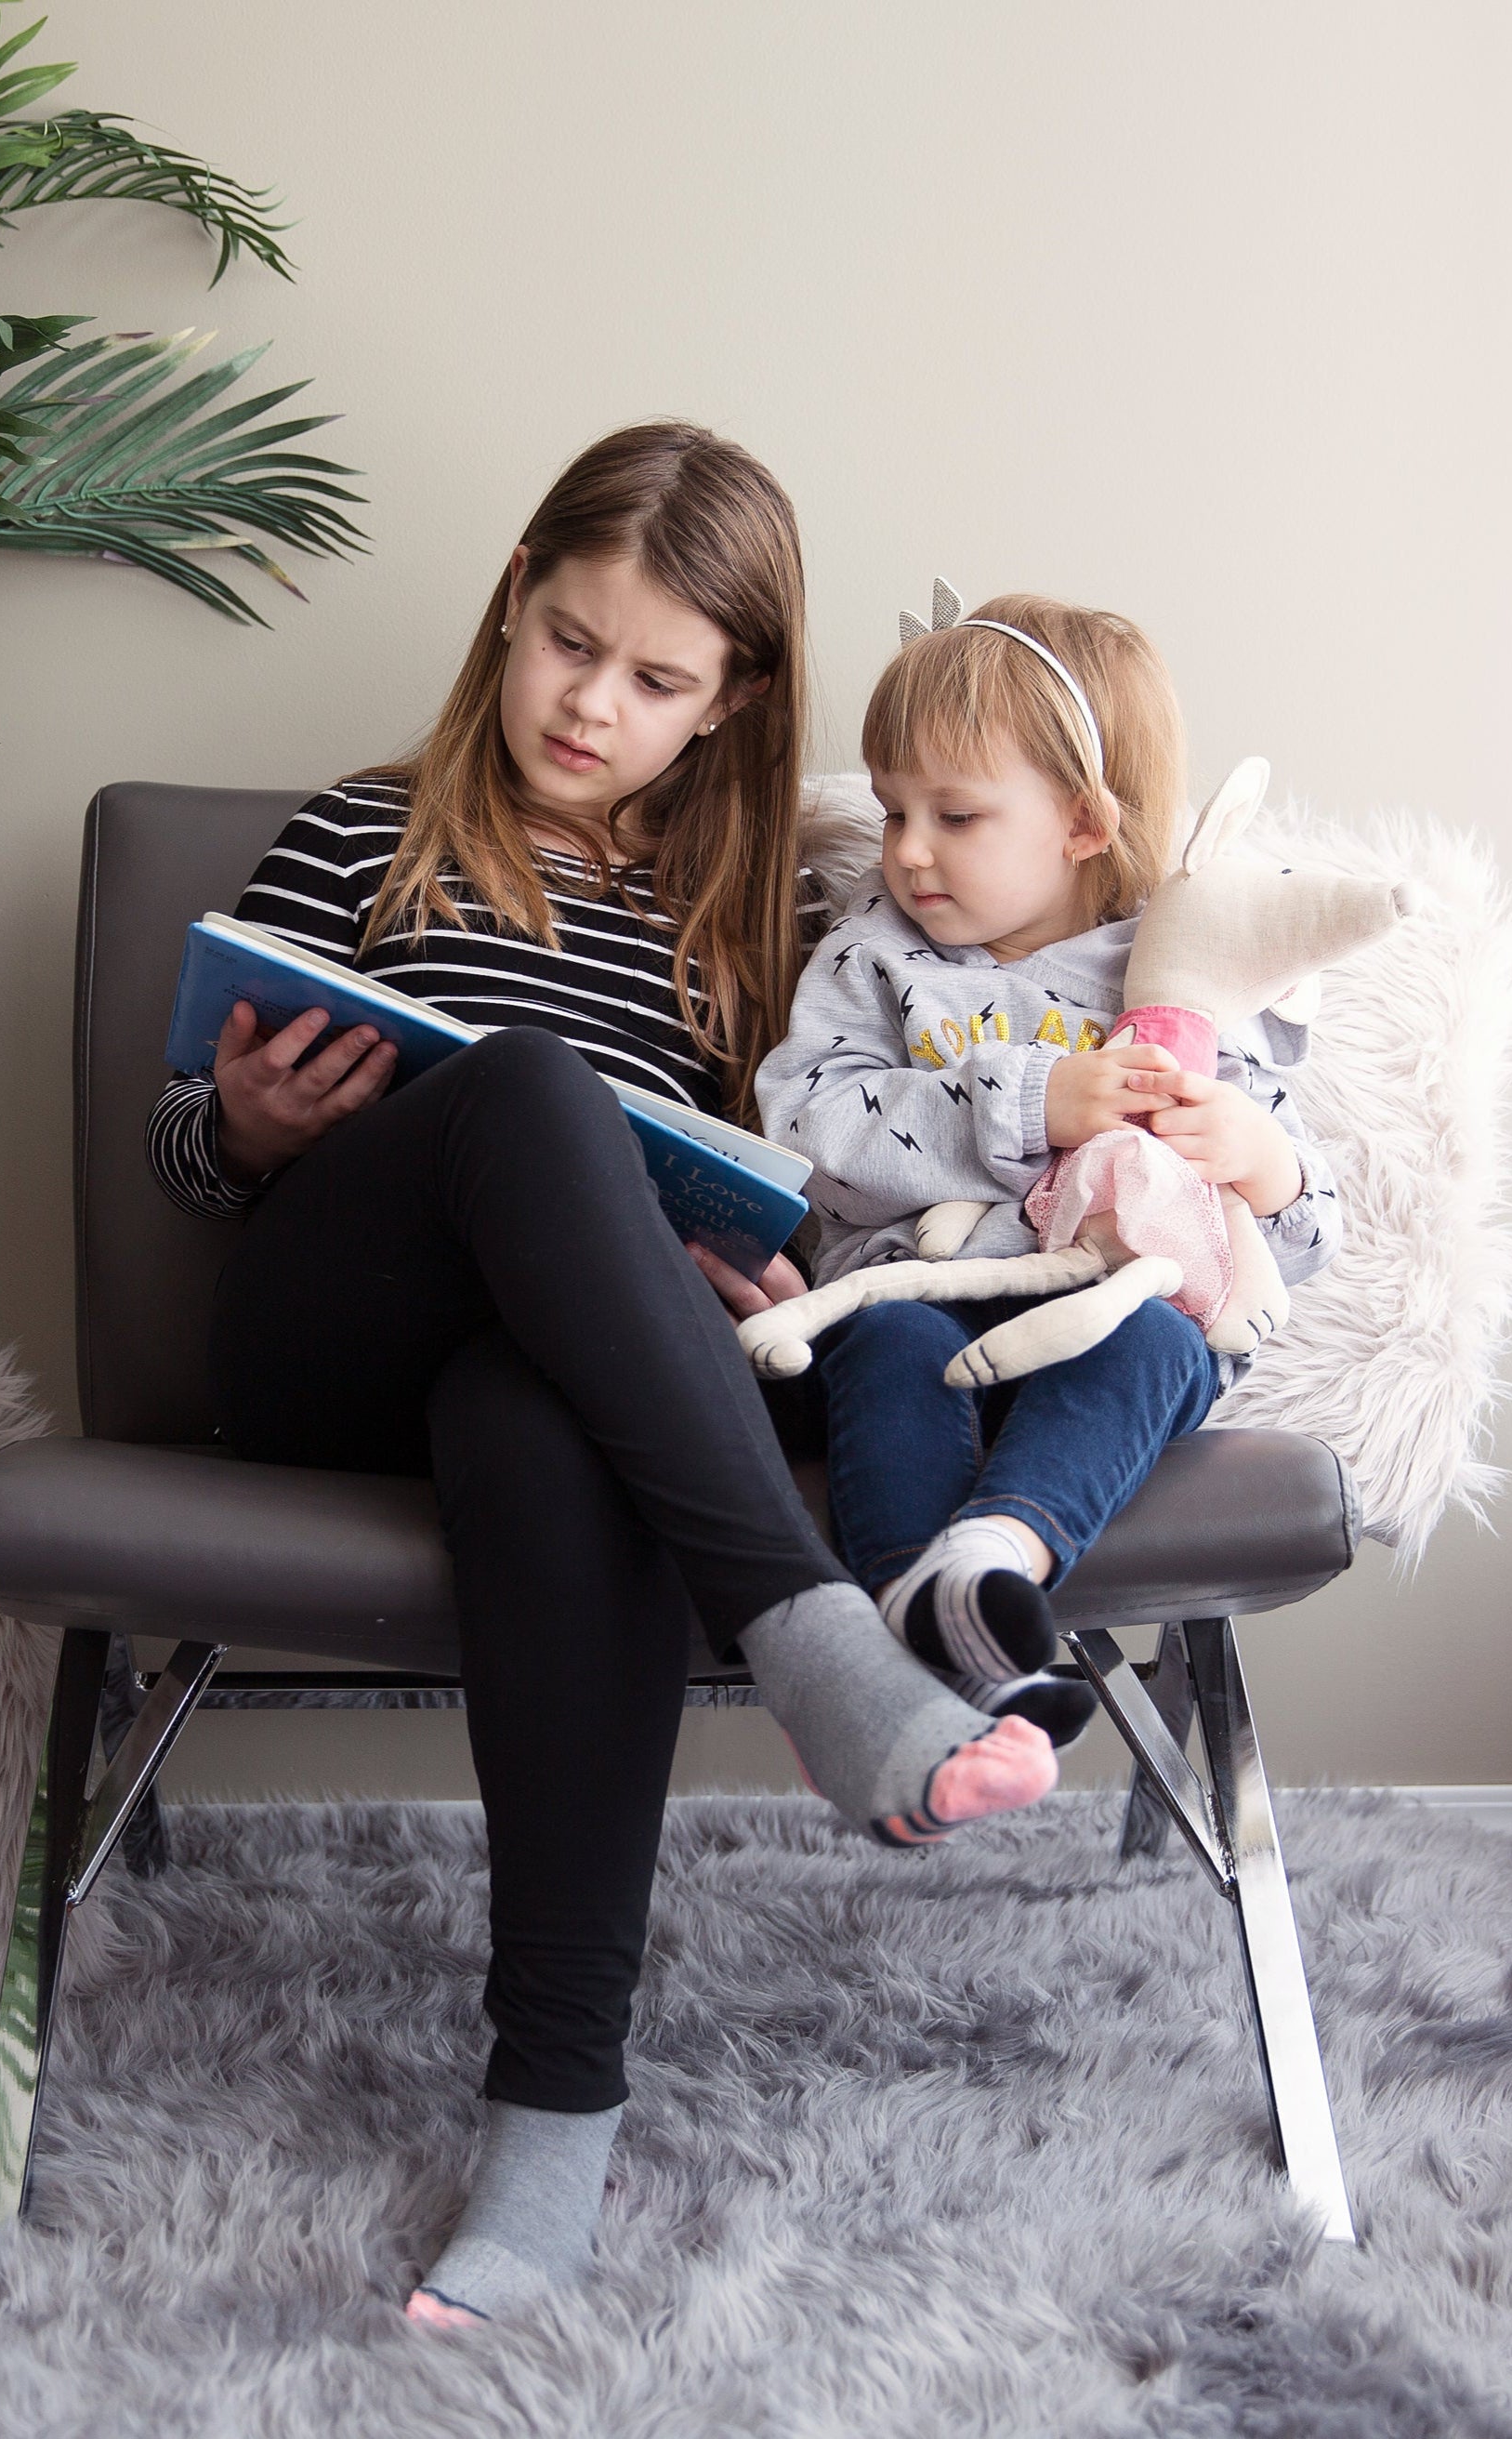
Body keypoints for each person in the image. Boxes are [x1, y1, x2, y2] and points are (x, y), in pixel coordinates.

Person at [146, 425, 1058, 2327]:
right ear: (511, 611)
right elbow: (176, 1145)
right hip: (321, 1349)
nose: (593, 704)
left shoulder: (759, 937)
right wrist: (235, 1123)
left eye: (657, 681)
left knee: (534, 1404)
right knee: (533, 1091)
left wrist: (764, 1248)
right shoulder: (362, 827)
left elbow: (835, 1177)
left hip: (566, 1390)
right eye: (571, 643)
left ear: (727, 709)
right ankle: (814, 1643)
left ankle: (553, 2112)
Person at [756, 598, 1338, 1706]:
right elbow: (808, 1133)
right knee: (891, 1344)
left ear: (1080, 823)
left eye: (956, 815)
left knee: (1166, 1350)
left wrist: (1261, 1160)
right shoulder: (875, 958)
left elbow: (1301, 1241)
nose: (909, 851)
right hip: (916, 1294)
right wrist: (1033, 1104)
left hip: (1107, 1319)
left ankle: (998, 1562)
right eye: (891, 812)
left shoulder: (1182, 972)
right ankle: (926, 1658)